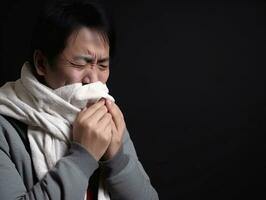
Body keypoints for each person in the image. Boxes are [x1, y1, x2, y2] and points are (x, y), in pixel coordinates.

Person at [0, 0, 159, 199]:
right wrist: (83, 157)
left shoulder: (104, 116)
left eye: (102, 65)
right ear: (41, 63)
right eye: (79, 64)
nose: (92, 79)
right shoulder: (5, 126)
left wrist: (116, 159)